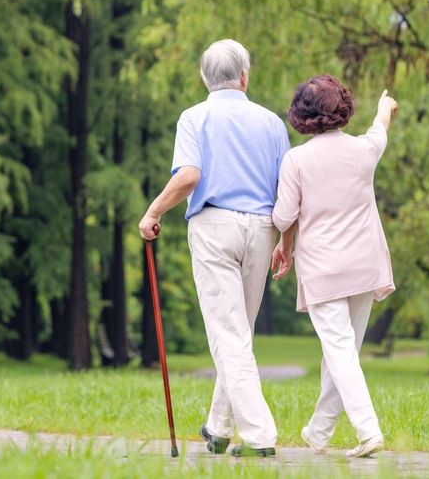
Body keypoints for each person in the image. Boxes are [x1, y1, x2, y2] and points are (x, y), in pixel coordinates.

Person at [138, 39, 290, 458]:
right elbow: (287, 189)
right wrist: (286, 240)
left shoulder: (194, 117)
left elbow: (189, 176)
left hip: (214, 227)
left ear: (205, 79)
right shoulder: (272, 122)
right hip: (262, 228)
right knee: (238, 333)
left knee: (229, 335)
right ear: (244, 77)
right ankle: (219, 428)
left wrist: (153, 212)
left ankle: (259, 436)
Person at [270, 74, 398, 458]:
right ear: (342, 107)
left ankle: (368, 431)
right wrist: (384, 107)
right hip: (364, 266)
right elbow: (380, 129)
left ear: (301, 114)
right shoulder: (363, 150)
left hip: (323, 269)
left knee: (340, 352)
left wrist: (284, 241)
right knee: (343, 352)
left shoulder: (296, 160)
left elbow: (283, 216)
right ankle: (319, 431)